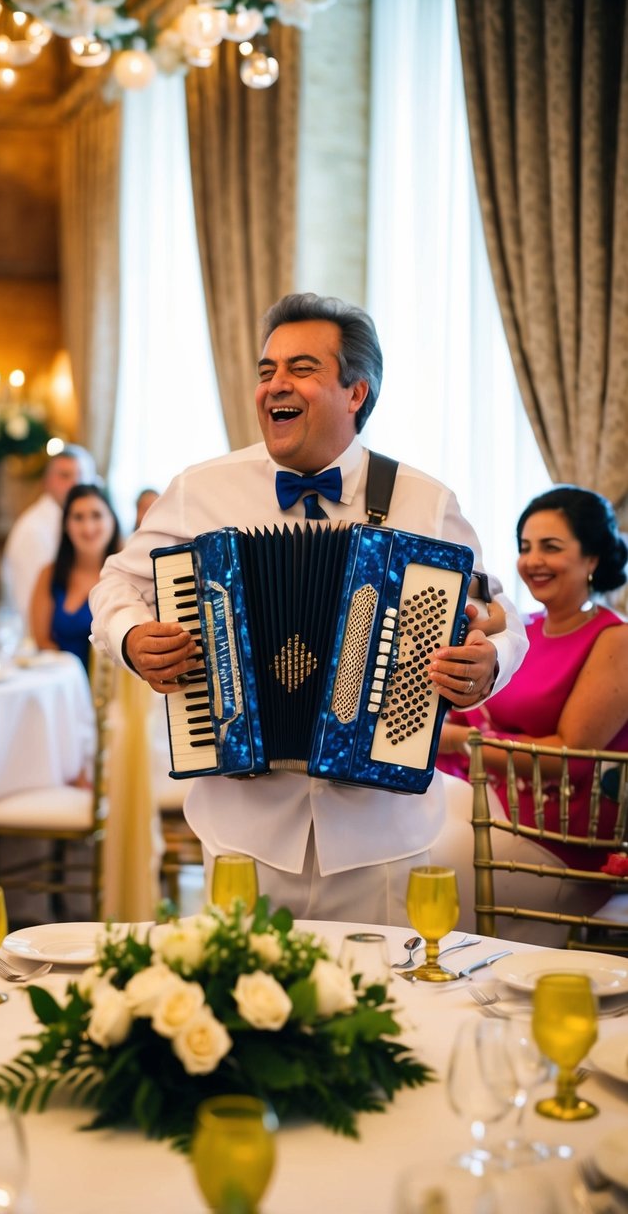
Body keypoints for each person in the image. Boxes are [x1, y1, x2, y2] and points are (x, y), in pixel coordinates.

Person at [90, 292, 527, 923]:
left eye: (301, 368)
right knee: (245, 1015)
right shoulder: (199, 491)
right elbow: (115, 585)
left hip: (383, 837)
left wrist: (490, 665)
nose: (275, 386)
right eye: (266, 371)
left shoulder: (423, 501)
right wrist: (130, 637)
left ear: (356, 393)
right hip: (244, 831)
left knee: (386, 1015)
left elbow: (500, 616)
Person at [433, 486, 628, 940]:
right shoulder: (524, 632)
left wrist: (461, 742)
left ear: (593, 558)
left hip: (559, 843)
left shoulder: (615, 639)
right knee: (391, 836)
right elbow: (472, 715)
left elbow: (572, 754)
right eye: (525, 547)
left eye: (551, 547)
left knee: (422, 867)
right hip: (492, 810)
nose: (532, 560)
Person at [29, 484, 122, 675]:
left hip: (118, 695)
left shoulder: (127, 574)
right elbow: (42, 641)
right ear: (66, 525)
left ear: (112, 520)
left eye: (96, 515)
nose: (88, 527)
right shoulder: (49, 574)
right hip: (64, 688)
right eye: (78, 517)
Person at [2, 444, 97, 624]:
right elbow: (30, 605)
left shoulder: (83, 526)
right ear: (47, 481)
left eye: (82, 476)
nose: (75, 484)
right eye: (65, 476)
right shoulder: (33, 530)